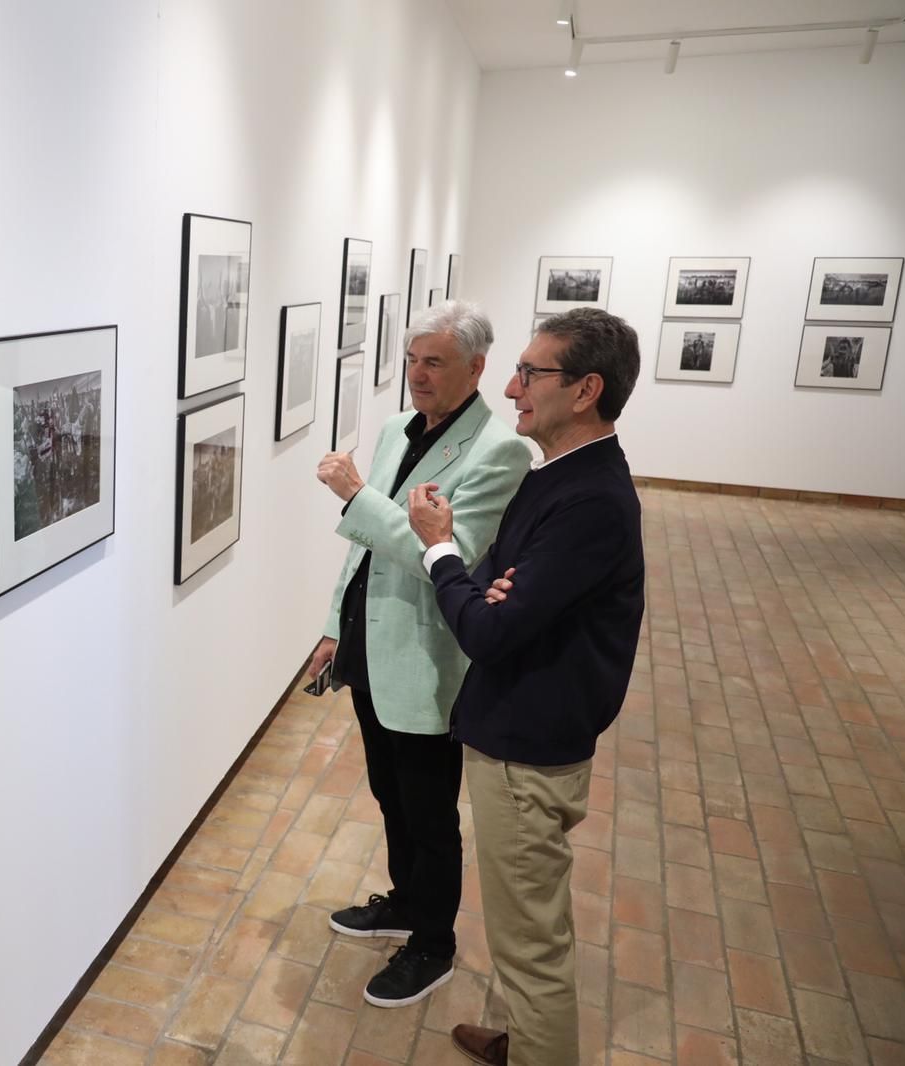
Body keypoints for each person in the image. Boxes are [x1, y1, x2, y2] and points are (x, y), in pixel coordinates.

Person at [405, 307, 646, 1066]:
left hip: (526, 752)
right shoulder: (560, 478)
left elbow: (485, 627)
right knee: (527, 917)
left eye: (531, 373)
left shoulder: (592, 502)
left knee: (532, 940)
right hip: (519, 731)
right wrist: (480, 583)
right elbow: (493, 579)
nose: (511, 387)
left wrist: (439, 550)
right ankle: (518, 1034)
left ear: (586, 391)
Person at [311, 301, 530, 1008]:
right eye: (412, 360)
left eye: (434, 362)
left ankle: (433, 943)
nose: (418, 375)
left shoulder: (499, 452)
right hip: (371, 644)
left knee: (429, 811)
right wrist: (332, 625)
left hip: (429, 659)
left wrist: (356, 495)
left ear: (475, 368)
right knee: (389, 795)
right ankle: (406, 903)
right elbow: (367, 545)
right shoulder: (397, 428)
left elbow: (448, 559)